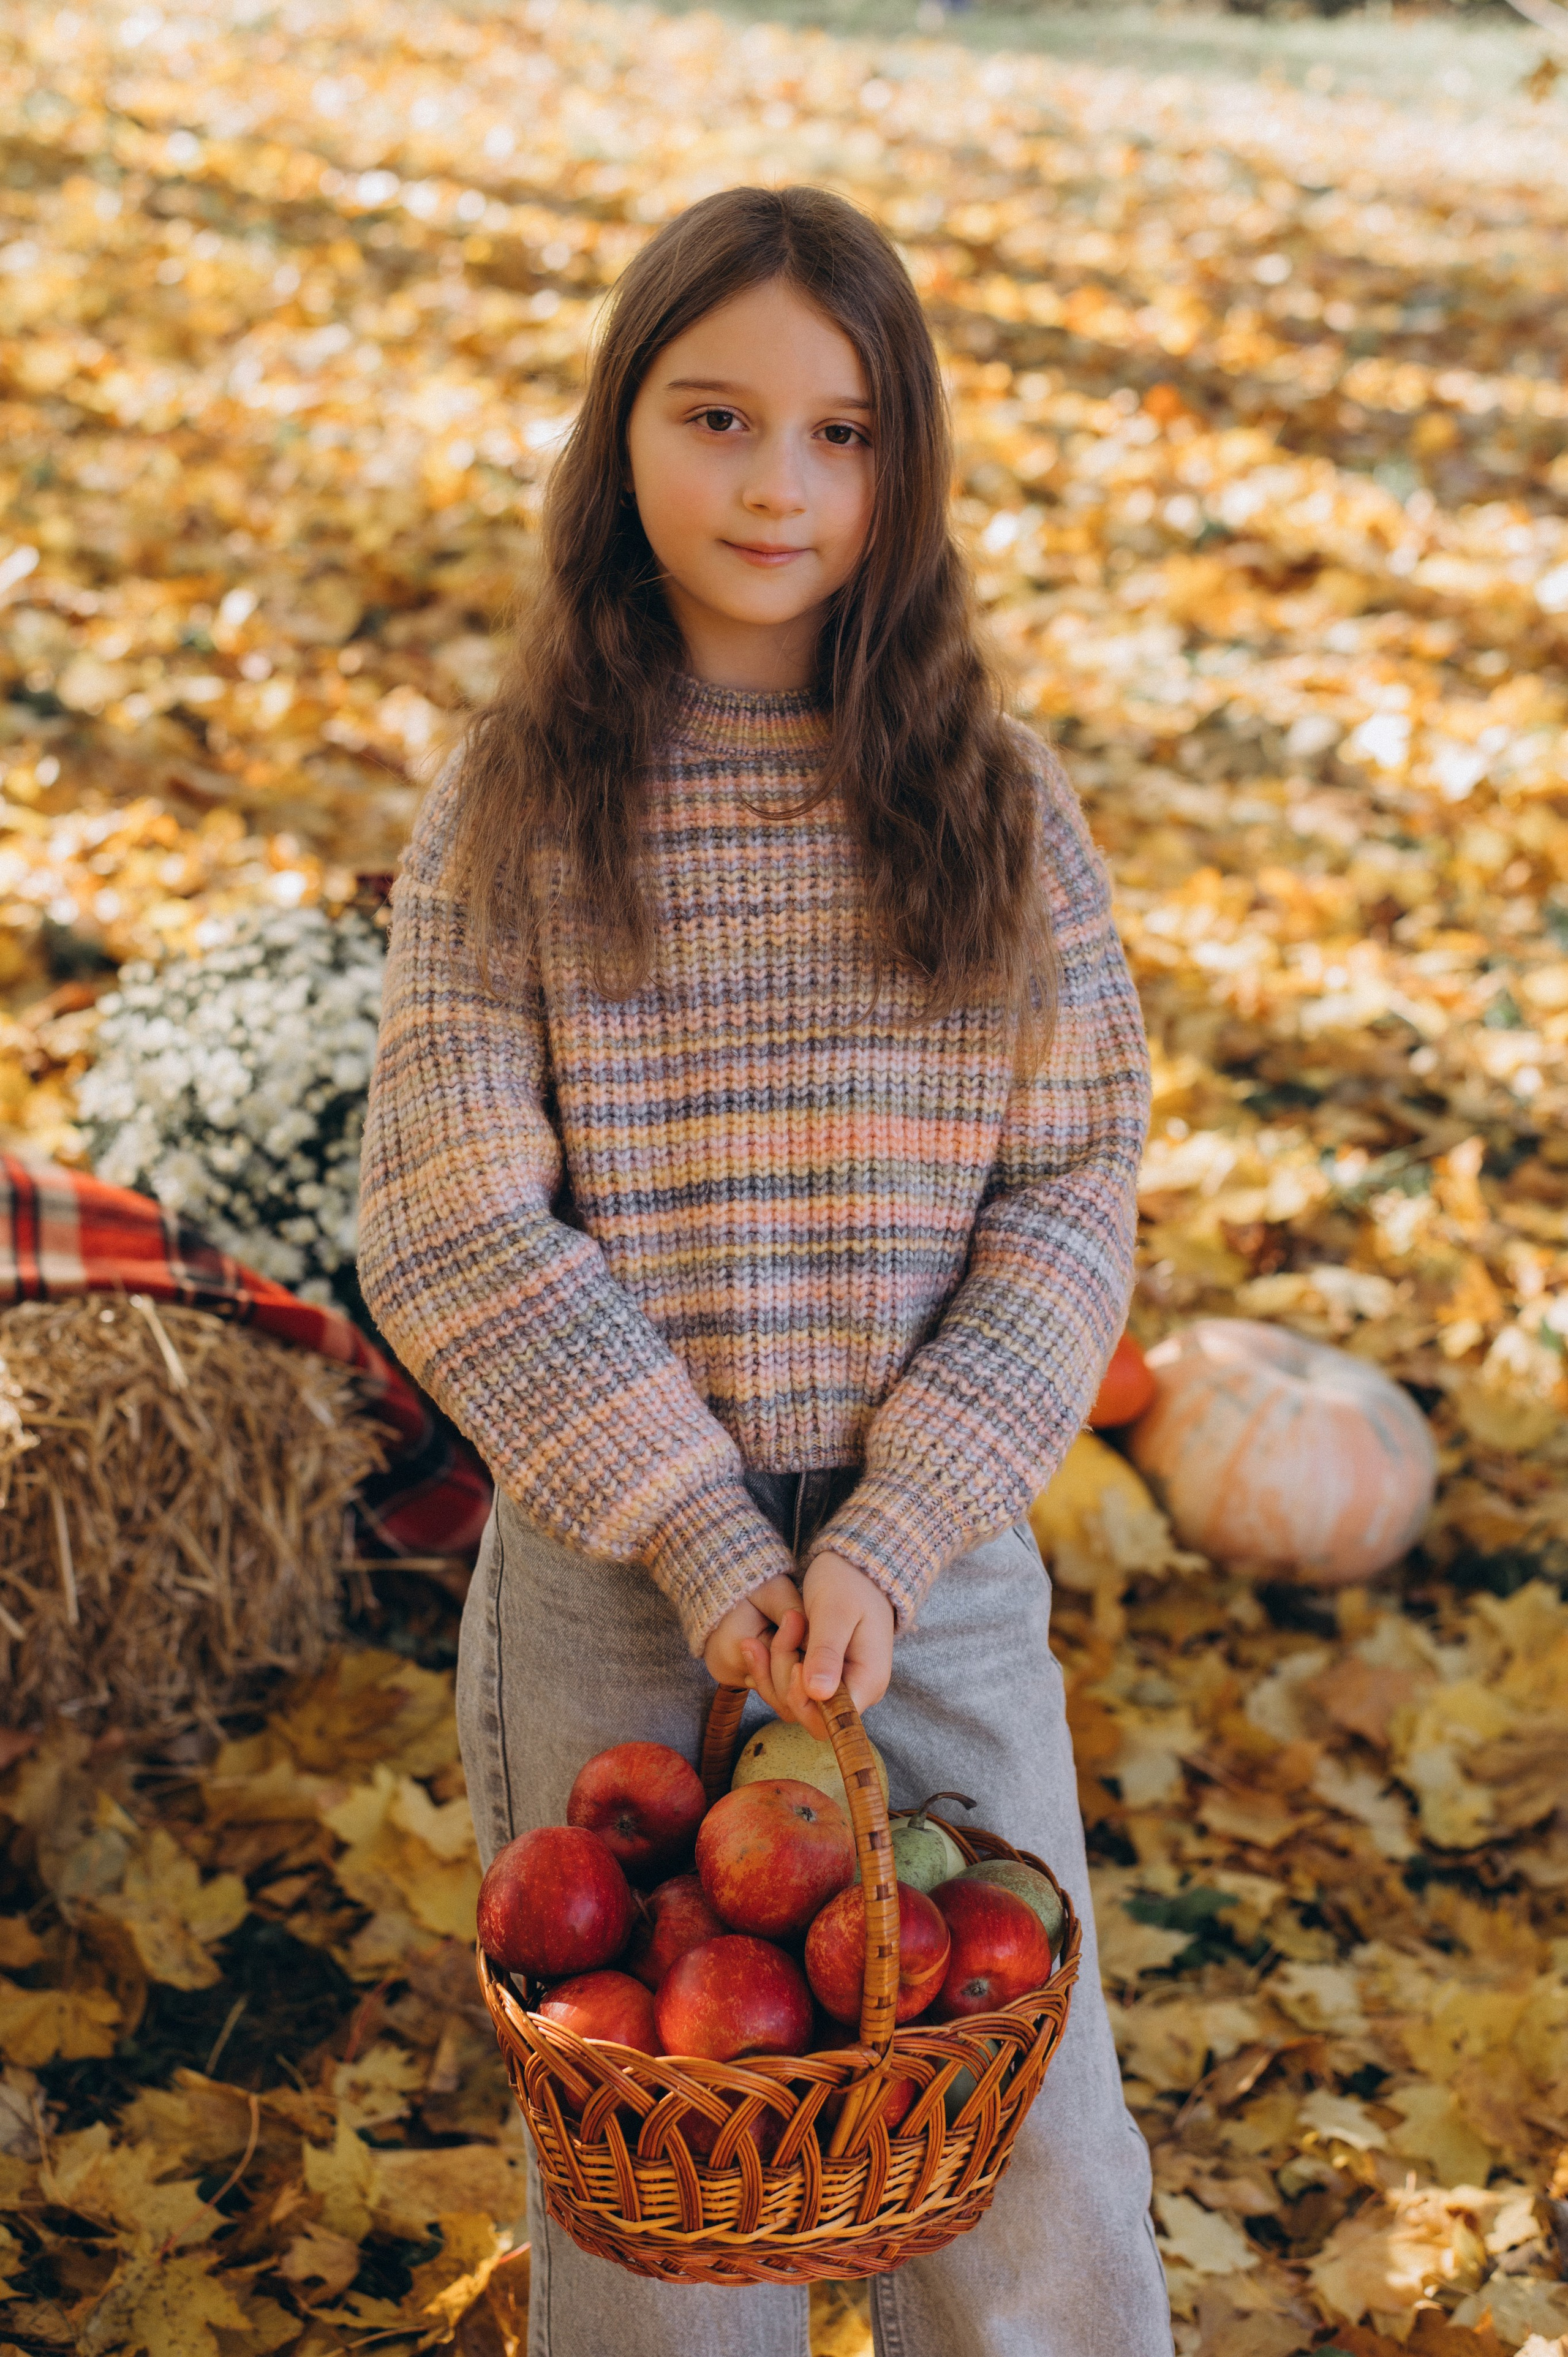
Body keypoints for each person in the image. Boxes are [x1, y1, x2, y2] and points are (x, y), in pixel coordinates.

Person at [358, 182, 1169, 2357]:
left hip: (942, 1589)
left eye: (842, 434)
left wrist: (893, 1533)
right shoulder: (520, 811)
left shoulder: (996, 808)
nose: (778, 484)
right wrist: (708, 1537)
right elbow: (449, 1212)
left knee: (1023, 2156)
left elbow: (1073, 1186)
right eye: (717, 418)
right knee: (666, 2190)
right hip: (622, 1588)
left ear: (905, 467)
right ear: (622, 431)